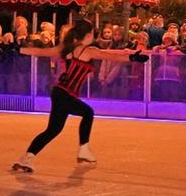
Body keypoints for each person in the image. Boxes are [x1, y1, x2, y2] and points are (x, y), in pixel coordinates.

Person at [10, 19, 147, 171]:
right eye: (93, 34)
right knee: (88, 113)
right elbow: (110, 56)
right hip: (65, 93)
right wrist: (133, 57)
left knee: (53, 130)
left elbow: (42, 52)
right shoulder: (87, 51)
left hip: (59, 92)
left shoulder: (66, 48)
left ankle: (26, 159)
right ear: (88, 35)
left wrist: (19, 50)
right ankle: (84, 150)